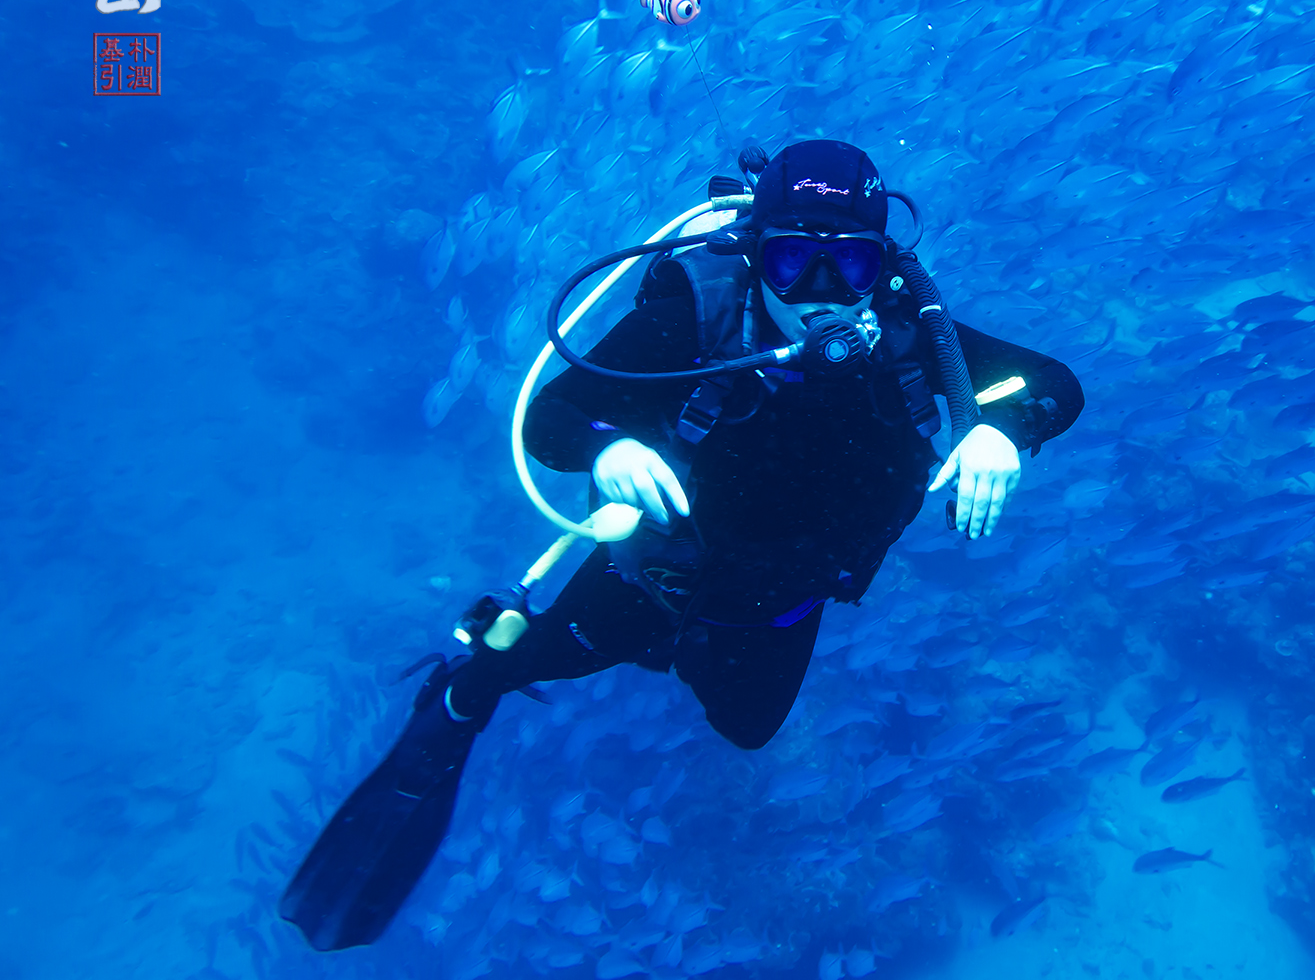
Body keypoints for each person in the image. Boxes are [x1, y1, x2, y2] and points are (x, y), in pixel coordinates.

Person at [281, 139, 1083, 950]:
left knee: (748, 730)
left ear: (882, 265)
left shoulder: (914, 335)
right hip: (650, 581)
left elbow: (1056, 385)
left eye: (849, 264)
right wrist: (607, 449)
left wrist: (1005, 430)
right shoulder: (691, 322)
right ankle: (461, 694)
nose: (819, 292)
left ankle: (684, 654)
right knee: (511, 666)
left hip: (779, 607)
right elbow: (548, 418)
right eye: (793, 259)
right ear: (755, 253)